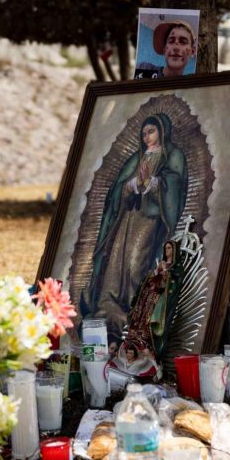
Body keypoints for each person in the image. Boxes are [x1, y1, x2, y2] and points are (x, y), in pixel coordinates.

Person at [80, 114, 187, 341]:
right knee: (116, 261)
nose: (146, 137)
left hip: (149, 220)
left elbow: (176, 184)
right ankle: (106, 308)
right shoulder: (137, 157)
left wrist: (153, 183)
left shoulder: (173, 155)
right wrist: (131, 186)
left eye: (151, 131)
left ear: (162, 131)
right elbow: (117, 189)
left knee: (137, 262)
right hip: (127, 218)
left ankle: (133, 310)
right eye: (144, 132)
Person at [133, 20, 197, 79]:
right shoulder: (144, 69)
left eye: (183, 42)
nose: (176, 48)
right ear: (164, 50)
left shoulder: (188, 87)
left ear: (192, 51)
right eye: (171, 41)